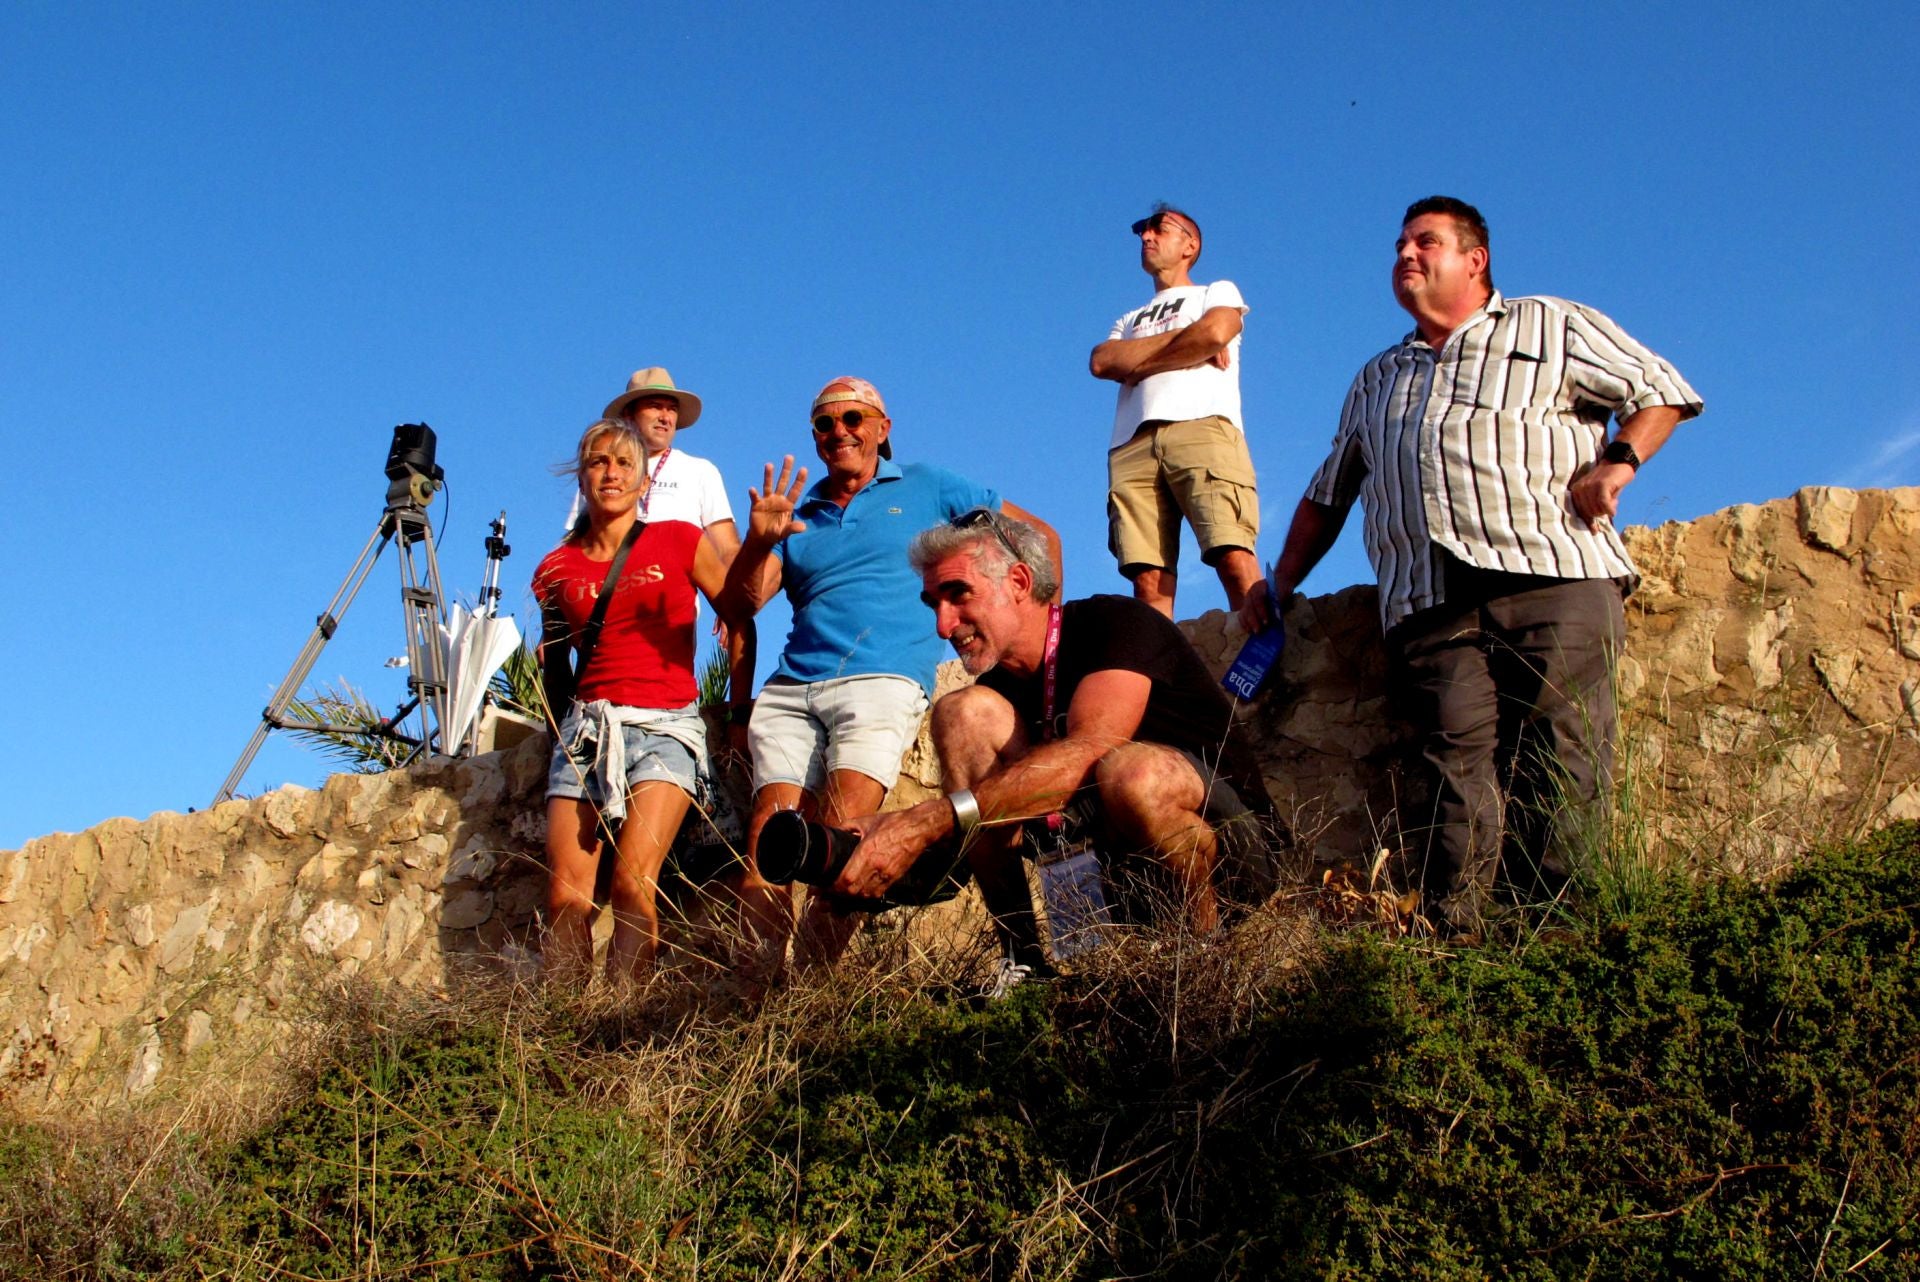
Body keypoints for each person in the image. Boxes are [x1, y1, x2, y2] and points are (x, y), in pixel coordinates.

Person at [1255, 195, 1702, 936]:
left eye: (1425, 242)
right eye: (1399, 244)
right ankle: (1462, 939)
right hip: (1428, 601)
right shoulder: (1378, 376)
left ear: (1475, 259)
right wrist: (1279, 584)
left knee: (1560, 750)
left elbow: (1661, 392)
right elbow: (1330, 491)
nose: (1405, 255)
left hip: (1552, 569)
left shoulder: (1549, 324)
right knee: (1453, 769)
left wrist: (1618, 463)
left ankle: (1559, 936)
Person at [830, 509, 1279, 989]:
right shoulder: (997, 691)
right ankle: (1022, 962)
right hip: (1118, 880)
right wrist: (880, 843)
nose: (944, 625)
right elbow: (980, 812)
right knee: (961, 712)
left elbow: (1092, 748)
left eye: (958, 594)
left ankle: (1203, 966)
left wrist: (924, 822)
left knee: (1132, 773)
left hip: (1232, 863)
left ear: (1020, 580)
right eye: (933, 603)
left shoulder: (1116, 623)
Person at [720, 376, 1060, 974]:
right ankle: (755, 1002)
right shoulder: (799, 515)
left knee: (843, 839)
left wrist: (1040, 642)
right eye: (825, 424)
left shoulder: (929, 485)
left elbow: (1038, 539)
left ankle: (809, 997)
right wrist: (756, 541)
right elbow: (742, 604)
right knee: (766, 849)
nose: (839, 432)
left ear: (883, 428)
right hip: (791, 687)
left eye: (853, 419)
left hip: (881, 678)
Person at [533, 417, 752, 985]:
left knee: (633, 882)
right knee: (565, 896)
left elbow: (738, 618)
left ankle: (621, 1025)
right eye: (598, 462)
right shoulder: (554, 569)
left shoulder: (679, 538)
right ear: (580, 477)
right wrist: (556, 733)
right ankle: (562, 1030)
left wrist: (737, 710)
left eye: (624, 463)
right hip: (587, 731)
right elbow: (557, 665)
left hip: (666, 727)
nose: (611, 473)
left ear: (643, 480)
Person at [1090, 203, 1266, 625]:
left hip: (1202, 425)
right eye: (1142, 232)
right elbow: (1101, 361)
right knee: (1147, 578)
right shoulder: (1128, 318)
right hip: (1131, 443)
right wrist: (1186, 346)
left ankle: (1264, 669)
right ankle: (1161, 682)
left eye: (1158, 229)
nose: (1146, 238)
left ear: (1191, 244)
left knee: (1231, 551)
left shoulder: (1215, 292)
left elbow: (1215, 331)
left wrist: (1135, 366)